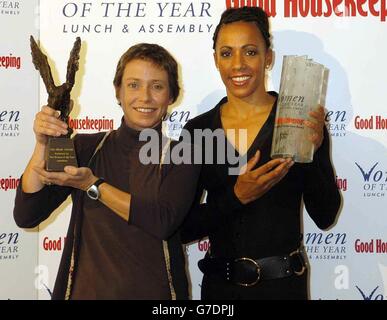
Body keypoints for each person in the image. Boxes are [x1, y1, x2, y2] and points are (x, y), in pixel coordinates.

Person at [13, 43, 200, 300]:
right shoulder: (85, 147)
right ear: (118, 92)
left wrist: (92, 185)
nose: (144, 97)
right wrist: (42, 144)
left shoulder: (184, 154)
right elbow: (27, 214)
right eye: (133, 85)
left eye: (157, 86)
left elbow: (162, 222)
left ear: (171, 96)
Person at [181, 7, 341, 300]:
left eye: (250, 52)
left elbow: (326, 215)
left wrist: (315, 152)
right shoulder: (197, 131)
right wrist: (236, 197)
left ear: (268, 58)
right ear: (215, 59)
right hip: (220, 291)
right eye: (227, 53)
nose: (238, 64)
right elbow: (181, 227)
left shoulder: (300, 121)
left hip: (284, 289)